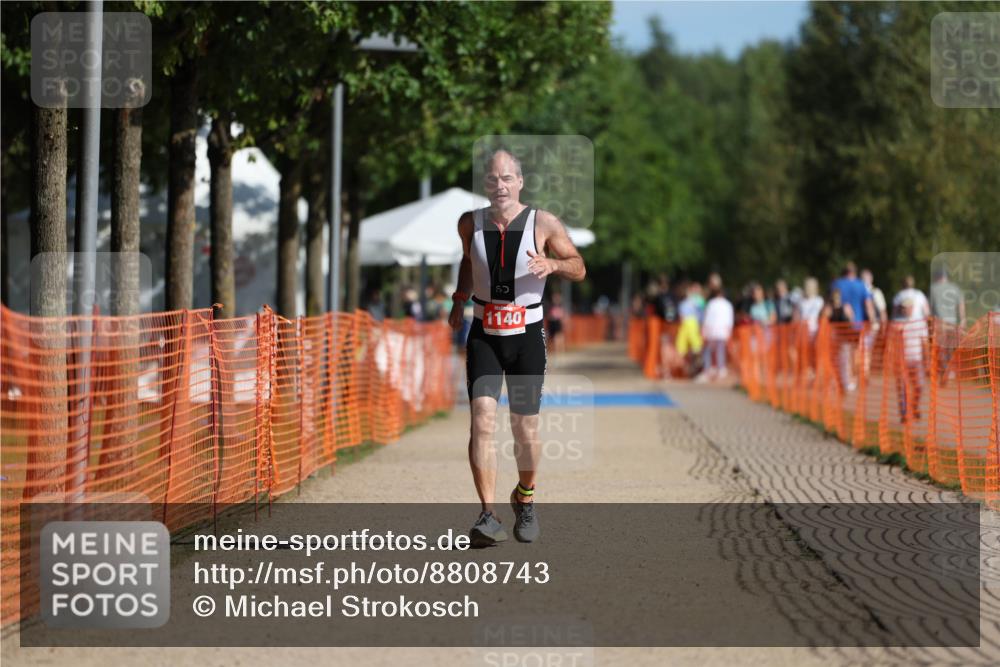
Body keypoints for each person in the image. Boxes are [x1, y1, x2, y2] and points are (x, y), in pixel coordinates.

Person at [448, 149, 586, 547]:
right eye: (492, 179)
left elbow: (579, 266)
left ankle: (525, 497)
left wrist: (554, 266)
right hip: (484, 334)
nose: (500, 186)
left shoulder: (543, 223)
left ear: (520, 182)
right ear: (485, 184)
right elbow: (468, 262)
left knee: (524, 429)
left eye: (507, 178)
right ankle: (488, 516)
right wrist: (459, 299)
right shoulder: (468, 223)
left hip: (527, 335)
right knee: (482, 421)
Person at [895, 298, 929, 423]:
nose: (905, 309)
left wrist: (927, 359)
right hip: (902, 360)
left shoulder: (920, 323)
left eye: (908, 307)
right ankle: (904, 413)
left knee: (919, 386)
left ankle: (914, 407)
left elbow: (925, 342)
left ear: (912, 308)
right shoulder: (897, 323)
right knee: (903, 387)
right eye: (903, 307)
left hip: (917, 359)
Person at [929, 267, 965, 386]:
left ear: (938, 277)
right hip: (953, 322)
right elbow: (961, 305)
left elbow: (930, 308)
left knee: (941, 350)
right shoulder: (956, 288)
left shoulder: (933, 288)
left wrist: (930, 323)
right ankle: (949, 373)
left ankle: (945, 371)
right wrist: (963, 320)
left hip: (940, 323)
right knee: (950, 350)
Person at [697, 285, 734, 382]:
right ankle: (719, 368)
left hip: (713, 331)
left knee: (709, 350)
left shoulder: (712, 303)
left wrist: (705, 330)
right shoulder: (727, 304)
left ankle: (709, 368)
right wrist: (729, 330)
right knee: (719, 350)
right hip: (721, 331)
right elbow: (730, 319)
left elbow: (707, 318)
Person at [795, 277, 825, 374]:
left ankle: (816, 373)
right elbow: (797, 316)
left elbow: (822, 316)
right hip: (803, 331)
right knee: (804, 354)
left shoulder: (819, 300)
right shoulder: (801, 301)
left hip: (815, 331)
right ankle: (808, 373)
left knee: (815, 353)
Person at [675, 282, 704, 376]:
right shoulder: (685, 303)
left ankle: (695, 368)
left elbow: (702, 312)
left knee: (696, 348)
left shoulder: (698, 301)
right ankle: (688, 369)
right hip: (688, 326)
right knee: (686, 349)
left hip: (694, 326)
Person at [546, 290, 566, 355]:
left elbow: (562, 315)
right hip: (552, 322)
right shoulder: (551, 306)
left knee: (558, 336)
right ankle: (557, 350)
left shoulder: (560, 306)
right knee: (553, 337)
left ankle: (560, 350)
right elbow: (549, 315)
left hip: (557, 322)